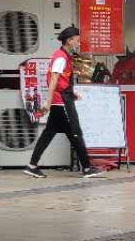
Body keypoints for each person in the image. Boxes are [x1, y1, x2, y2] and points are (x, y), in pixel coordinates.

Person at [24, 26, 96, 179]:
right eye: (77, 40)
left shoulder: (61, 55)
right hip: (61, 102)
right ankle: (87, 168)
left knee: (49, 133)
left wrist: (72, 94)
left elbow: (61, 81)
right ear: (69, 41)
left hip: (61, 100)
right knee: (75, 132)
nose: (78, 43)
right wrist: (48, 101)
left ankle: (32, 165)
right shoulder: (61, 58)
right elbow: (54, 79)